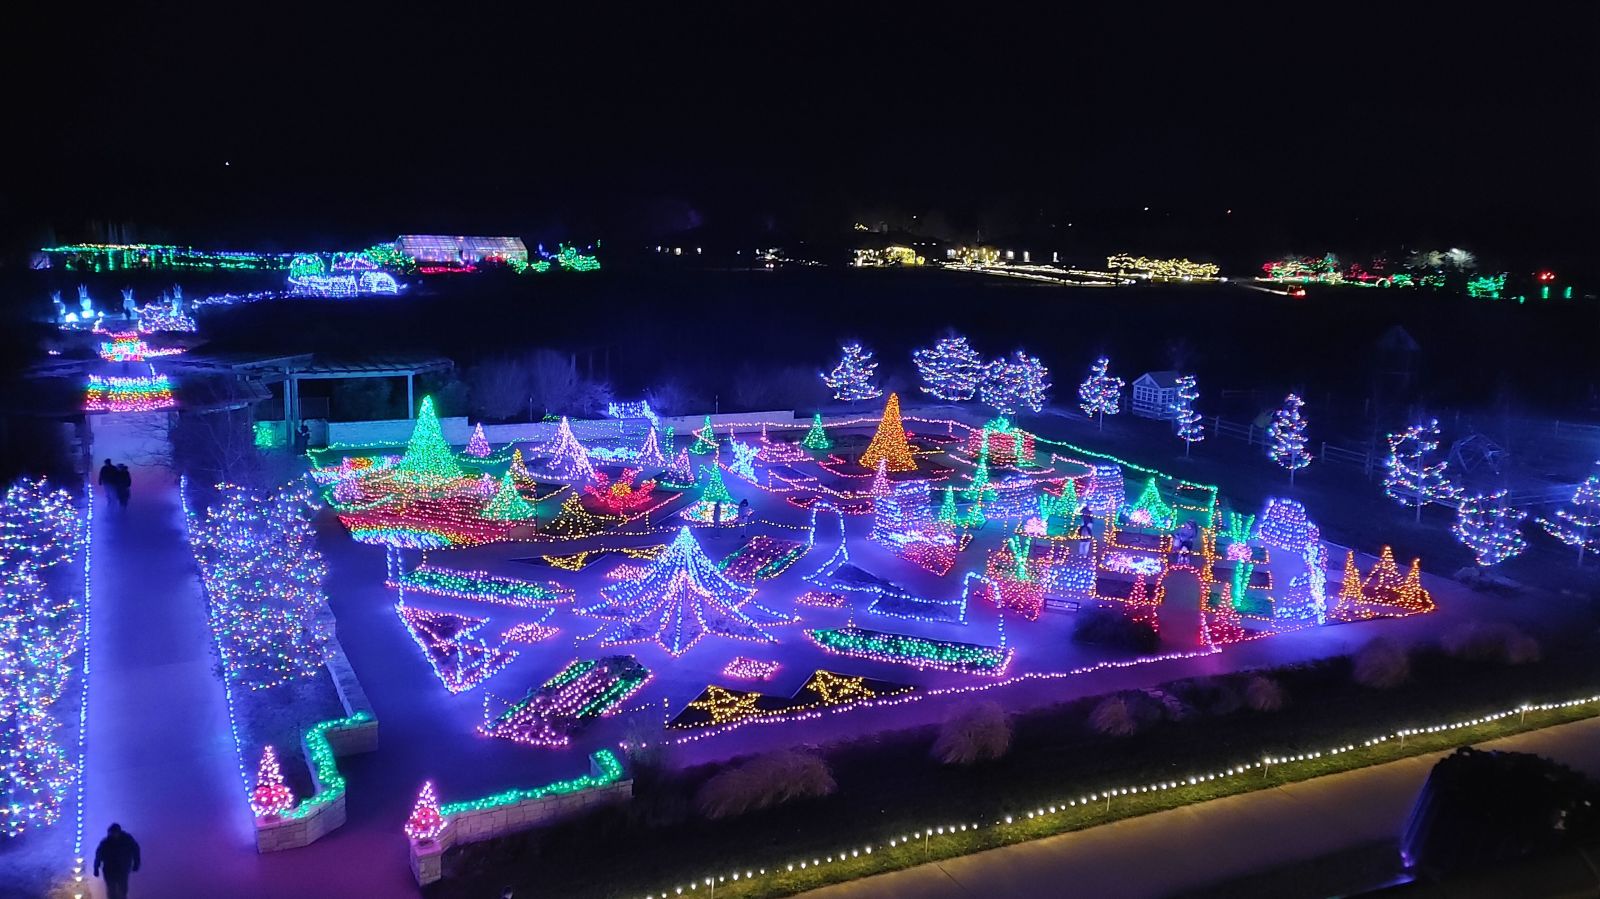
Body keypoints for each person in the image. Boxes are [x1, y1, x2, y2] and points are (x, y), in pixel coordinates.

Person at [93, 823, 140, 899]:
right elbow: (99, 855)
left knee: (121, 890)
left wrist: (136, 863)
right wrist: (96, 868)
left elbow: (135, 851)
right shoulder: (106, 843)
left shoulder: (126, 840)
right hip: (111, 869)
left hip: (121, 868)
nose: (113, 835)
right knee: (113, 891)